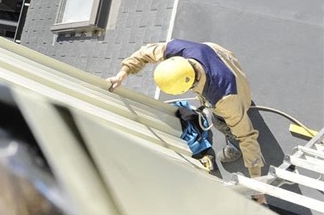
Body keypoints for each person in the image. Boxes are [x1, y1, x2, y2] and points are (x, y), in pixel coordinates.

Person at [107, 39, 264, 179]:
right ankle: (244, 100)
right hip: (224, 59)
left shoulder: (225, 100)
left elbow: (247, 137)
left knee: (221, 122)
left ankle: (234, 147)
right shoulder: (180, 50)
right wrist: (122, 74)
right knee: (236, 93)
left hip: (234, 95)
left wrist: (256, 179)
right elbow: (145, 53)